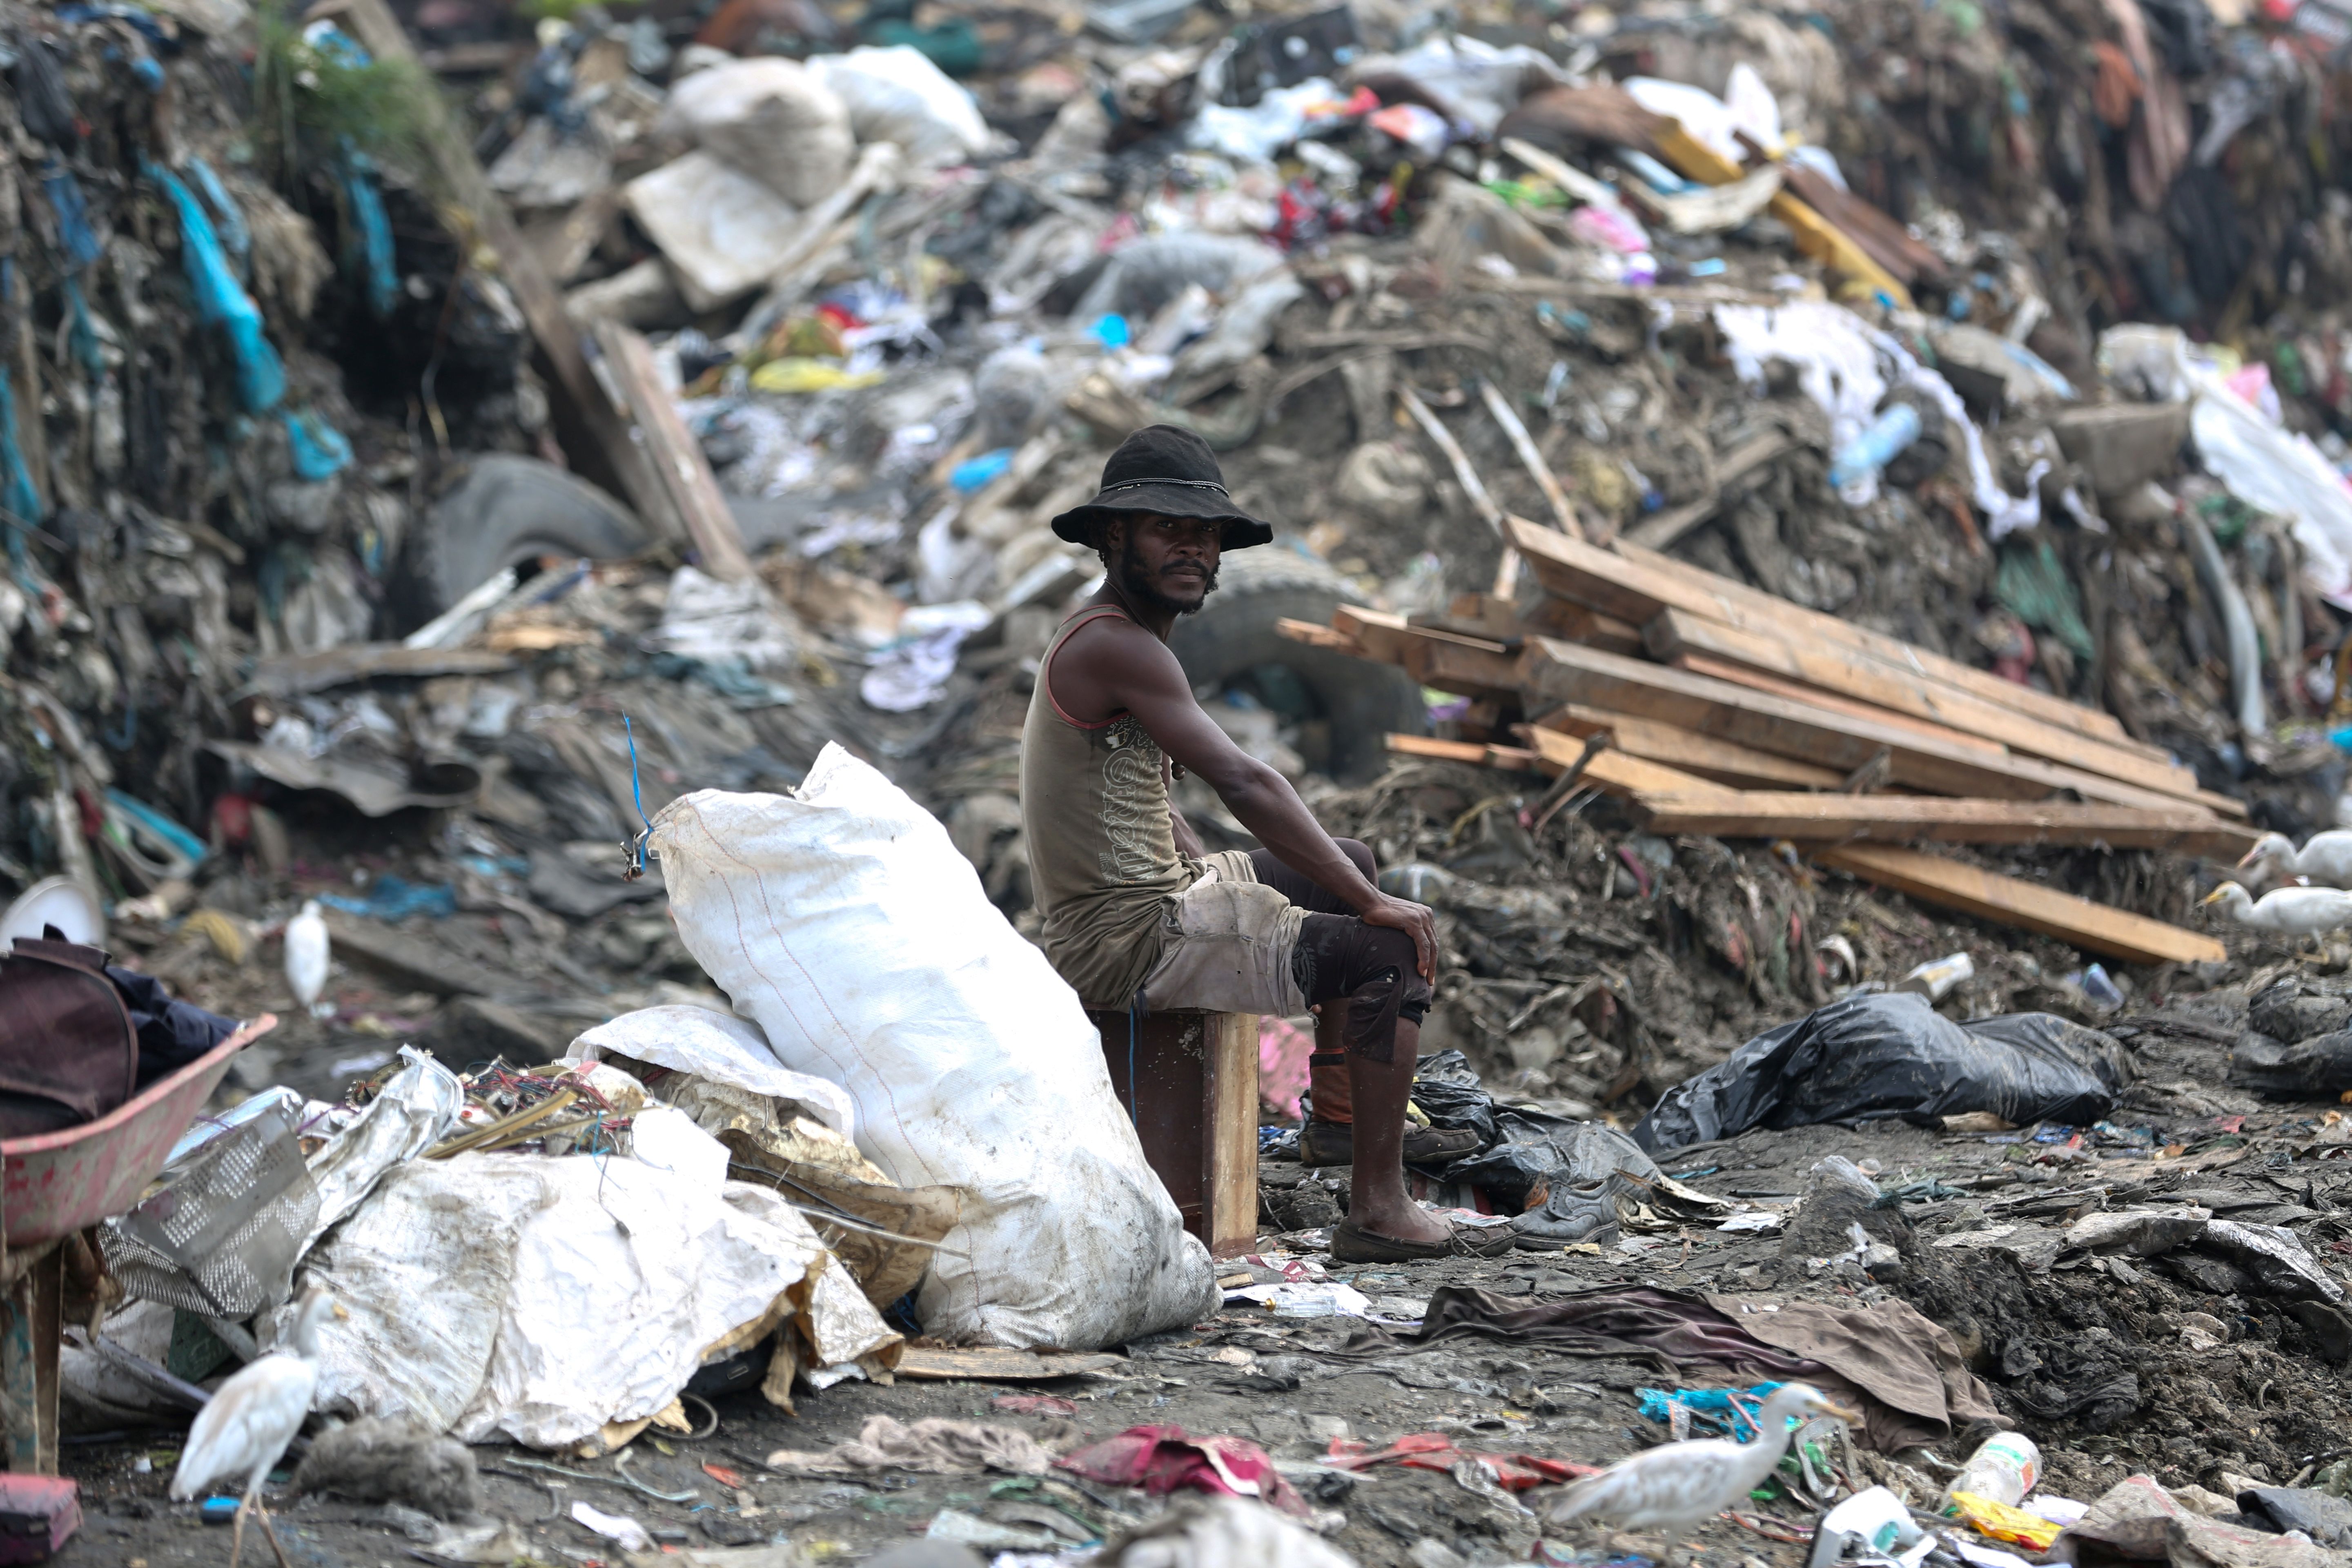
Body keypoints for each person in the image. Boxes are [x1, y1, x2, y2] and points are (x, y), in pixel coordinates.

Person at [1019, 425, 1510, 1262]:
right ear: (1113, 538)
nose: (1195, 552)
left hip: (1149, 897)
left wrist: (1214, 863)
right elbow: (1246, 782)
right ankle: (1378, 1210)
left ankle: (1336, 1122)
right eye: (1168, 531)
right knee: (1385, 945)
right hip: (1126, 941)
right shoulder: (1114, 642)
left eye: (1206, 536)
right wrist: (1370, 908)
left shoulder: (1123, 635)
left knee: (1348, 860)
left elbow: (1124, 785)